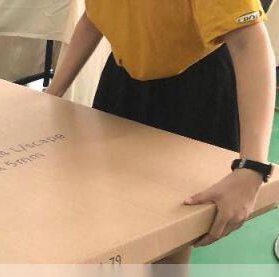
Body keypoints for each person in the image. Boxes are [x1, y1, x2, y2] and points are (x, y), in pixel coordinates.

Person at [47, 0, 276, 257]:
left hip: (193, 87)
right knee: (111, 205)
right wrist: (53, 92)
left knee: (169, 226)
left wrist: (252, 168)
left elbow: (248, 42)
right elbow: (95, 16)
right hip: (125, 79)